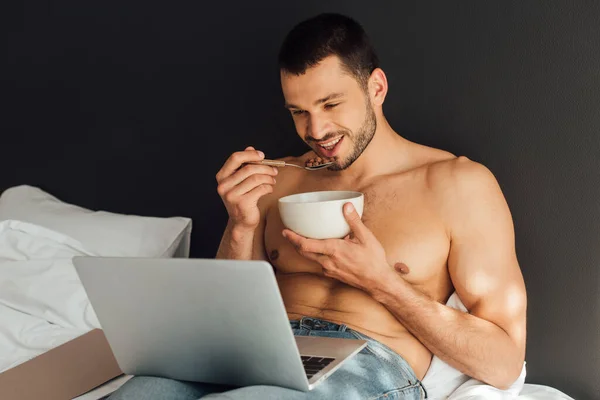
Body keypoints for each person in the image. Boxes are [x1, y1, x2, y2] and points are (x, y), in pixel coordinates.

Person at [109, 12, 527, 400]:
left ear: (376, 87)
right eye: (299, 112)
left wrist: (382, 281)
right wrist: (239, 225)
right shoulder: (280, 179)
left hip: (369, 363)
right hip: (261, 351)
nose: (316, 130)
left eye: (330, 104)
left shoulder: (457, 185)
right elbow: (220, 316)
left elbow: (504, 363)